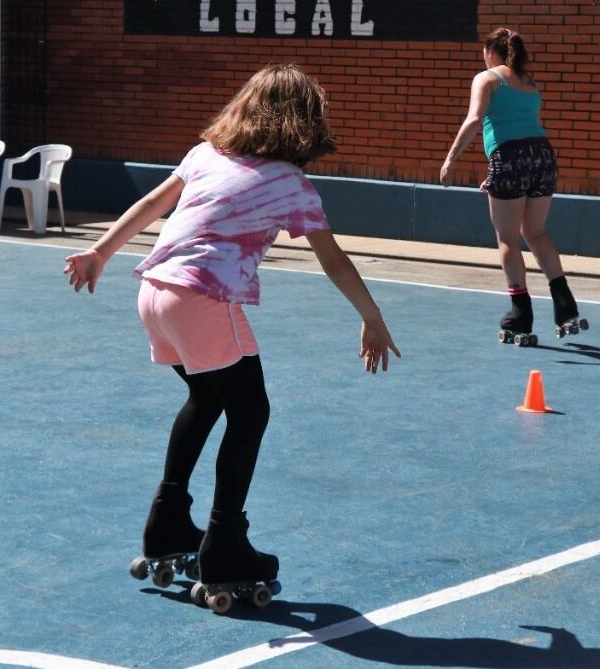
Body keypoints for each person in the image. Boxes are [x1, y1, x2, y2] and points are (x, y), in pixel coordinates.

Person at [63, 64, 400, 594]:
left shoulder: (205, 155)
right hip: (201, 297)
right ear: (304, 123)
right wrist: (372, 316)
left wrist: (100, 251)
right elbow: (332, 260)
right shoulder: (291, 184)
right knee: (251, 410)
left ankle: (168, 521)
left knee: (208, 398)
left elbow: (155, 203)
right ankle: (225, 545)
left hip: (152, 290)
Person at [439, 27, 585, 340]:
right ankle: (565, 304)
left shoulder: (488, 78)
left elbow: (476, 120)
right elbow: (519, 126)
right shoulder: (529, 83)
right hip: (542, 157)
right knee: (535, 232)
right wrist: (497, 173)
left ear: (491, 52)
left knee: (507, 238)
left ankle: (521, 312)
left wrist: (451, 158)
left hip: (510, 157)